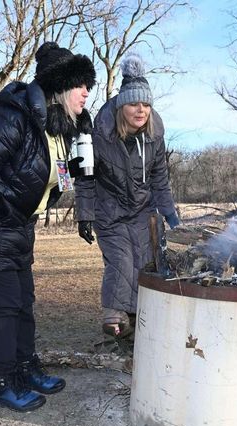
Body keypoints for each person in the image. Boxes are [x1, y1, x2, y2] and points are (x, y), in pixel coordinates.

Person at [0, 42, 95, 412]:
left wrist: (79, 172)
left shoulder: (62, 129)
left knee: (24, 304)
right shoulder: (16, 116)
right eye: (80, 84)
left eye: (88, 85)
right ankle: (3, 382)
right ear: (59, 87)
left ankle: (26, 369)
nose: (86, 92)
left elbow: (60, 179)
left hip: (18, 228)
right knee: (6, 307)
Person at [74, 54, 179, 343]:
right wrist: (84, 215)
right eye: (134, 104)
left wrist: (169, 212)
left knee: (144, 261)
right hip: (109, 209)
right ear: (122, 106)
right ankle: (114, 314)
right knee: (121, 259)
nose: (141, 110)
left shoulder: (155, 133)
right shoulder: (97, 133)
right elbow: (84, 177)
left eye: (146, 104)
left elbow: (160, 176)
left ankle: (135, 321)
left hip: (142, 210)